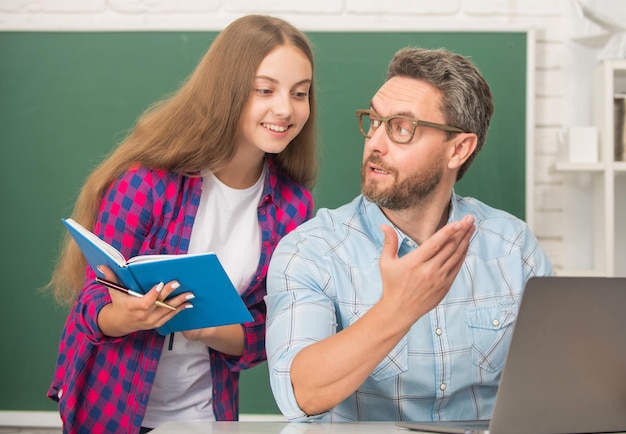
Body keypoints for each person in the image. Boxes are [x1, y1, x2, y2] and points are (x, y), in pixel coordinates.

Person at [46, 14, 317, 433]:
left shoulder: (293, 206)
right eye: (265, 90)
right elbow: (90, 307)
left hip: (206, 414)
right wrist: (130, 316)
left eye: (300, 93)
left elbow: (271, 329)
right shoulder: (147, 183)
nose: (285, 108)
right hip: (110, 406)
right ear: (227, 90)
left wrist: (211, 327)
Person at [265, 47, 552, 422]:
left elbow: (556, 382)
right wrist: (397, 309)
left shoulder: (513, 247)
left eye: (401, 128)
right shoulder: (311, 250)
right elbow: (298, 394)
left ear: (459, 149)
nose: (375, 143)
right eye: (375, 121)